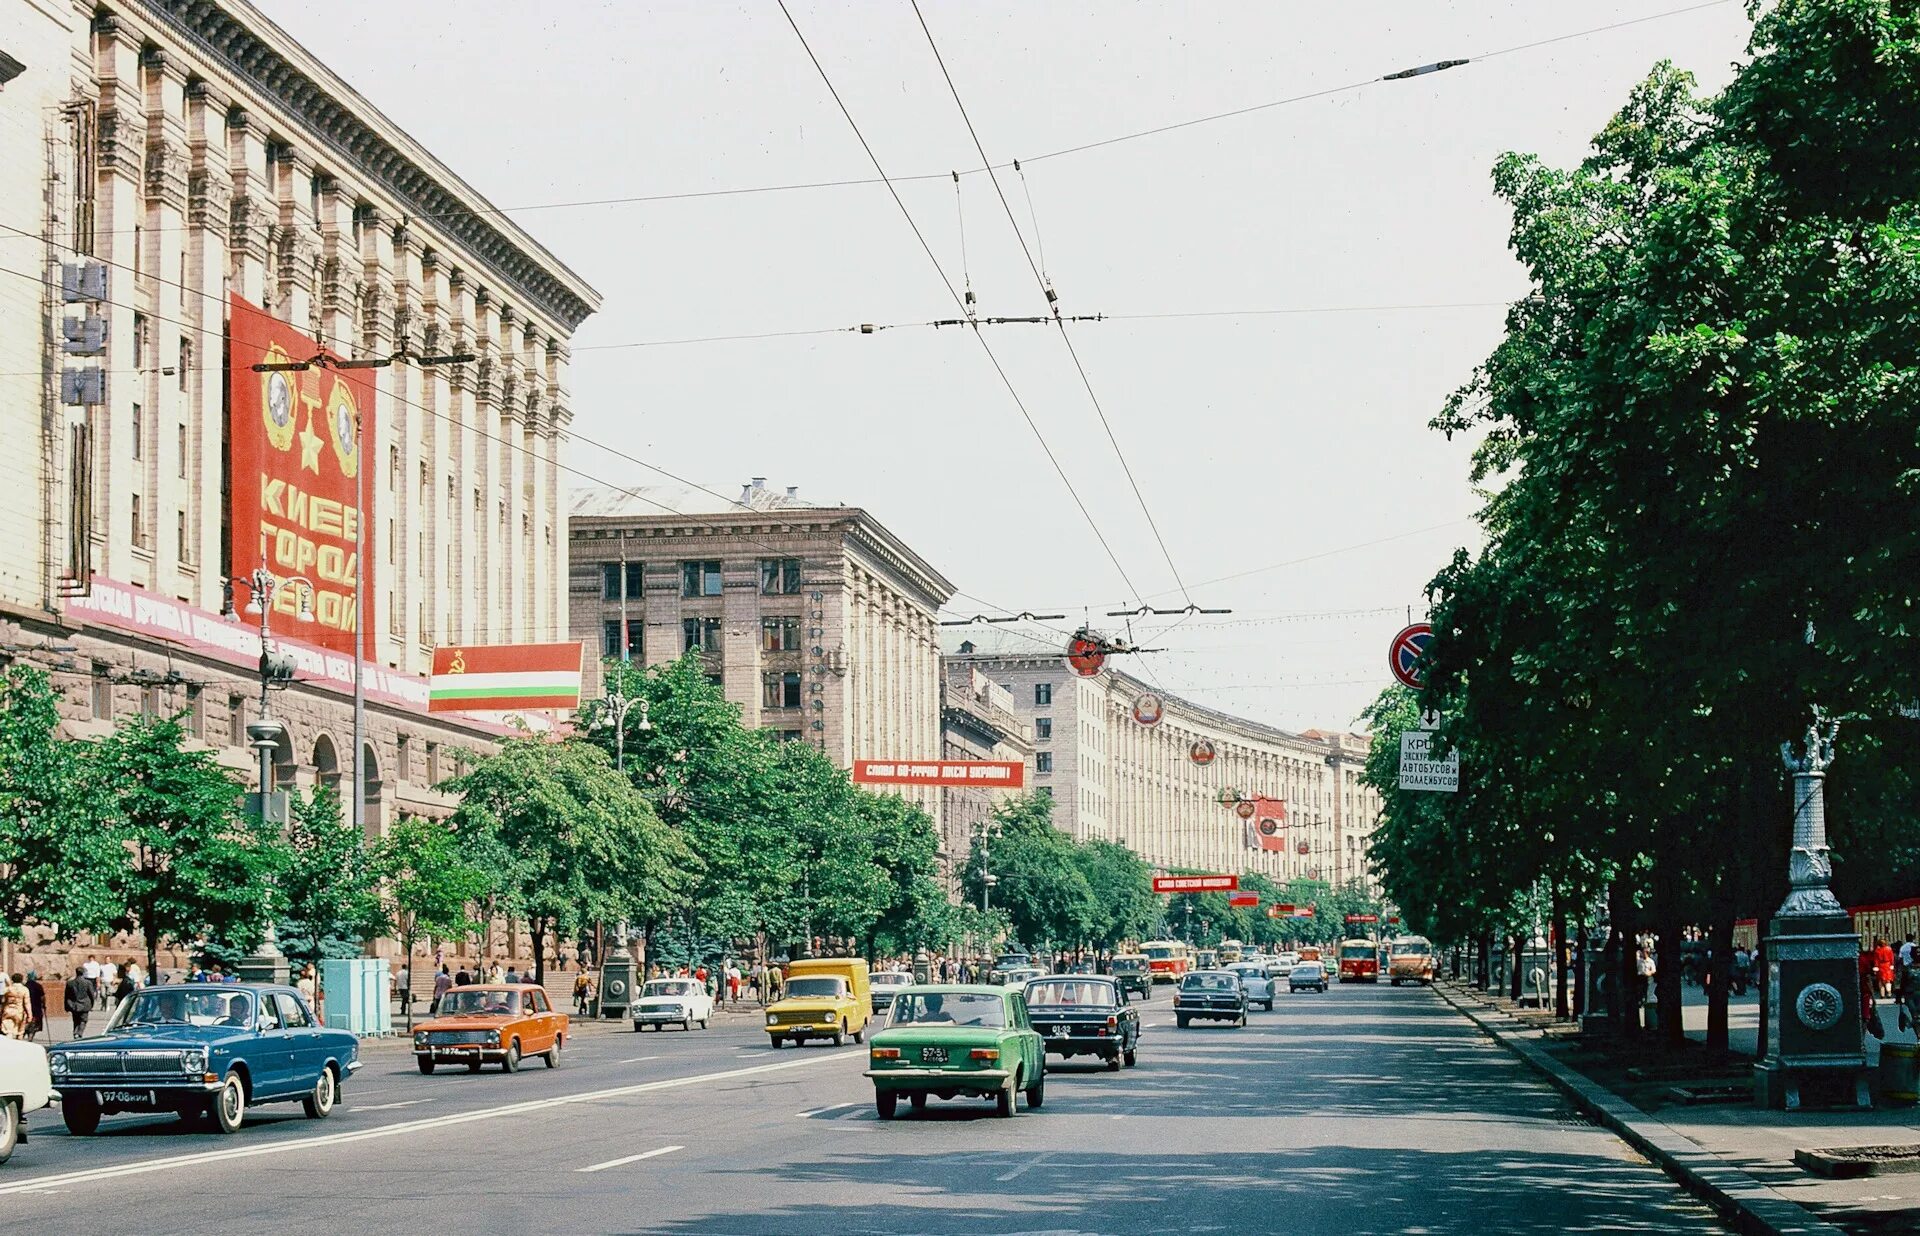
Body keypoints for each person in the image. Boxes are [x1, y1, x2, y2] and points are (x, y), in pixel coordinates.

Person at [63, 970, 96, 1039]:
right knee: (83, 1020)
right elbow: (92, 995)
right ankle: (79, 1033)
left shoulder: (70, 983)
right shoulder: (87, 983)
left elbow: (66, 996)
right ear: (83, 973)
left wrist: (66, 1007)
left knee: (75, 1020)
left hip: (74, 1005)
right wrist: (92, 1004)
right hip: (85, 1005)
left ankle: (75, 1033)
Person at [0, 974, 31, 1039]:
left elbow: (3, 1001)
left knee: (8, 1030)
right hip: (19, 1012)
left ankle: (9, 1043)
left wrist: (1, 1012)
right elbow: (27, 1003)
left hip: (7, 1011)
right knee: (20, 1031)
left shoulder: (8, 989)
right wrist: (29, 1015)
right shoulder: (24, 989)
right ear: (21, 980)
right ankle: (18, 1044)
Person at [24, 971, 45, 1041]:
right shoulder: (38, 986)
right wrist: (44, 1005)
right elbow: (42, 997)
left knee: (27, 1022)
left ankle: (26, 1034)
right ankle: (30, 1036)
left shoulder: (25, 986)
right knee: (34, 1024)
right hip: (36, 1008)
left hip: (26, 1008)